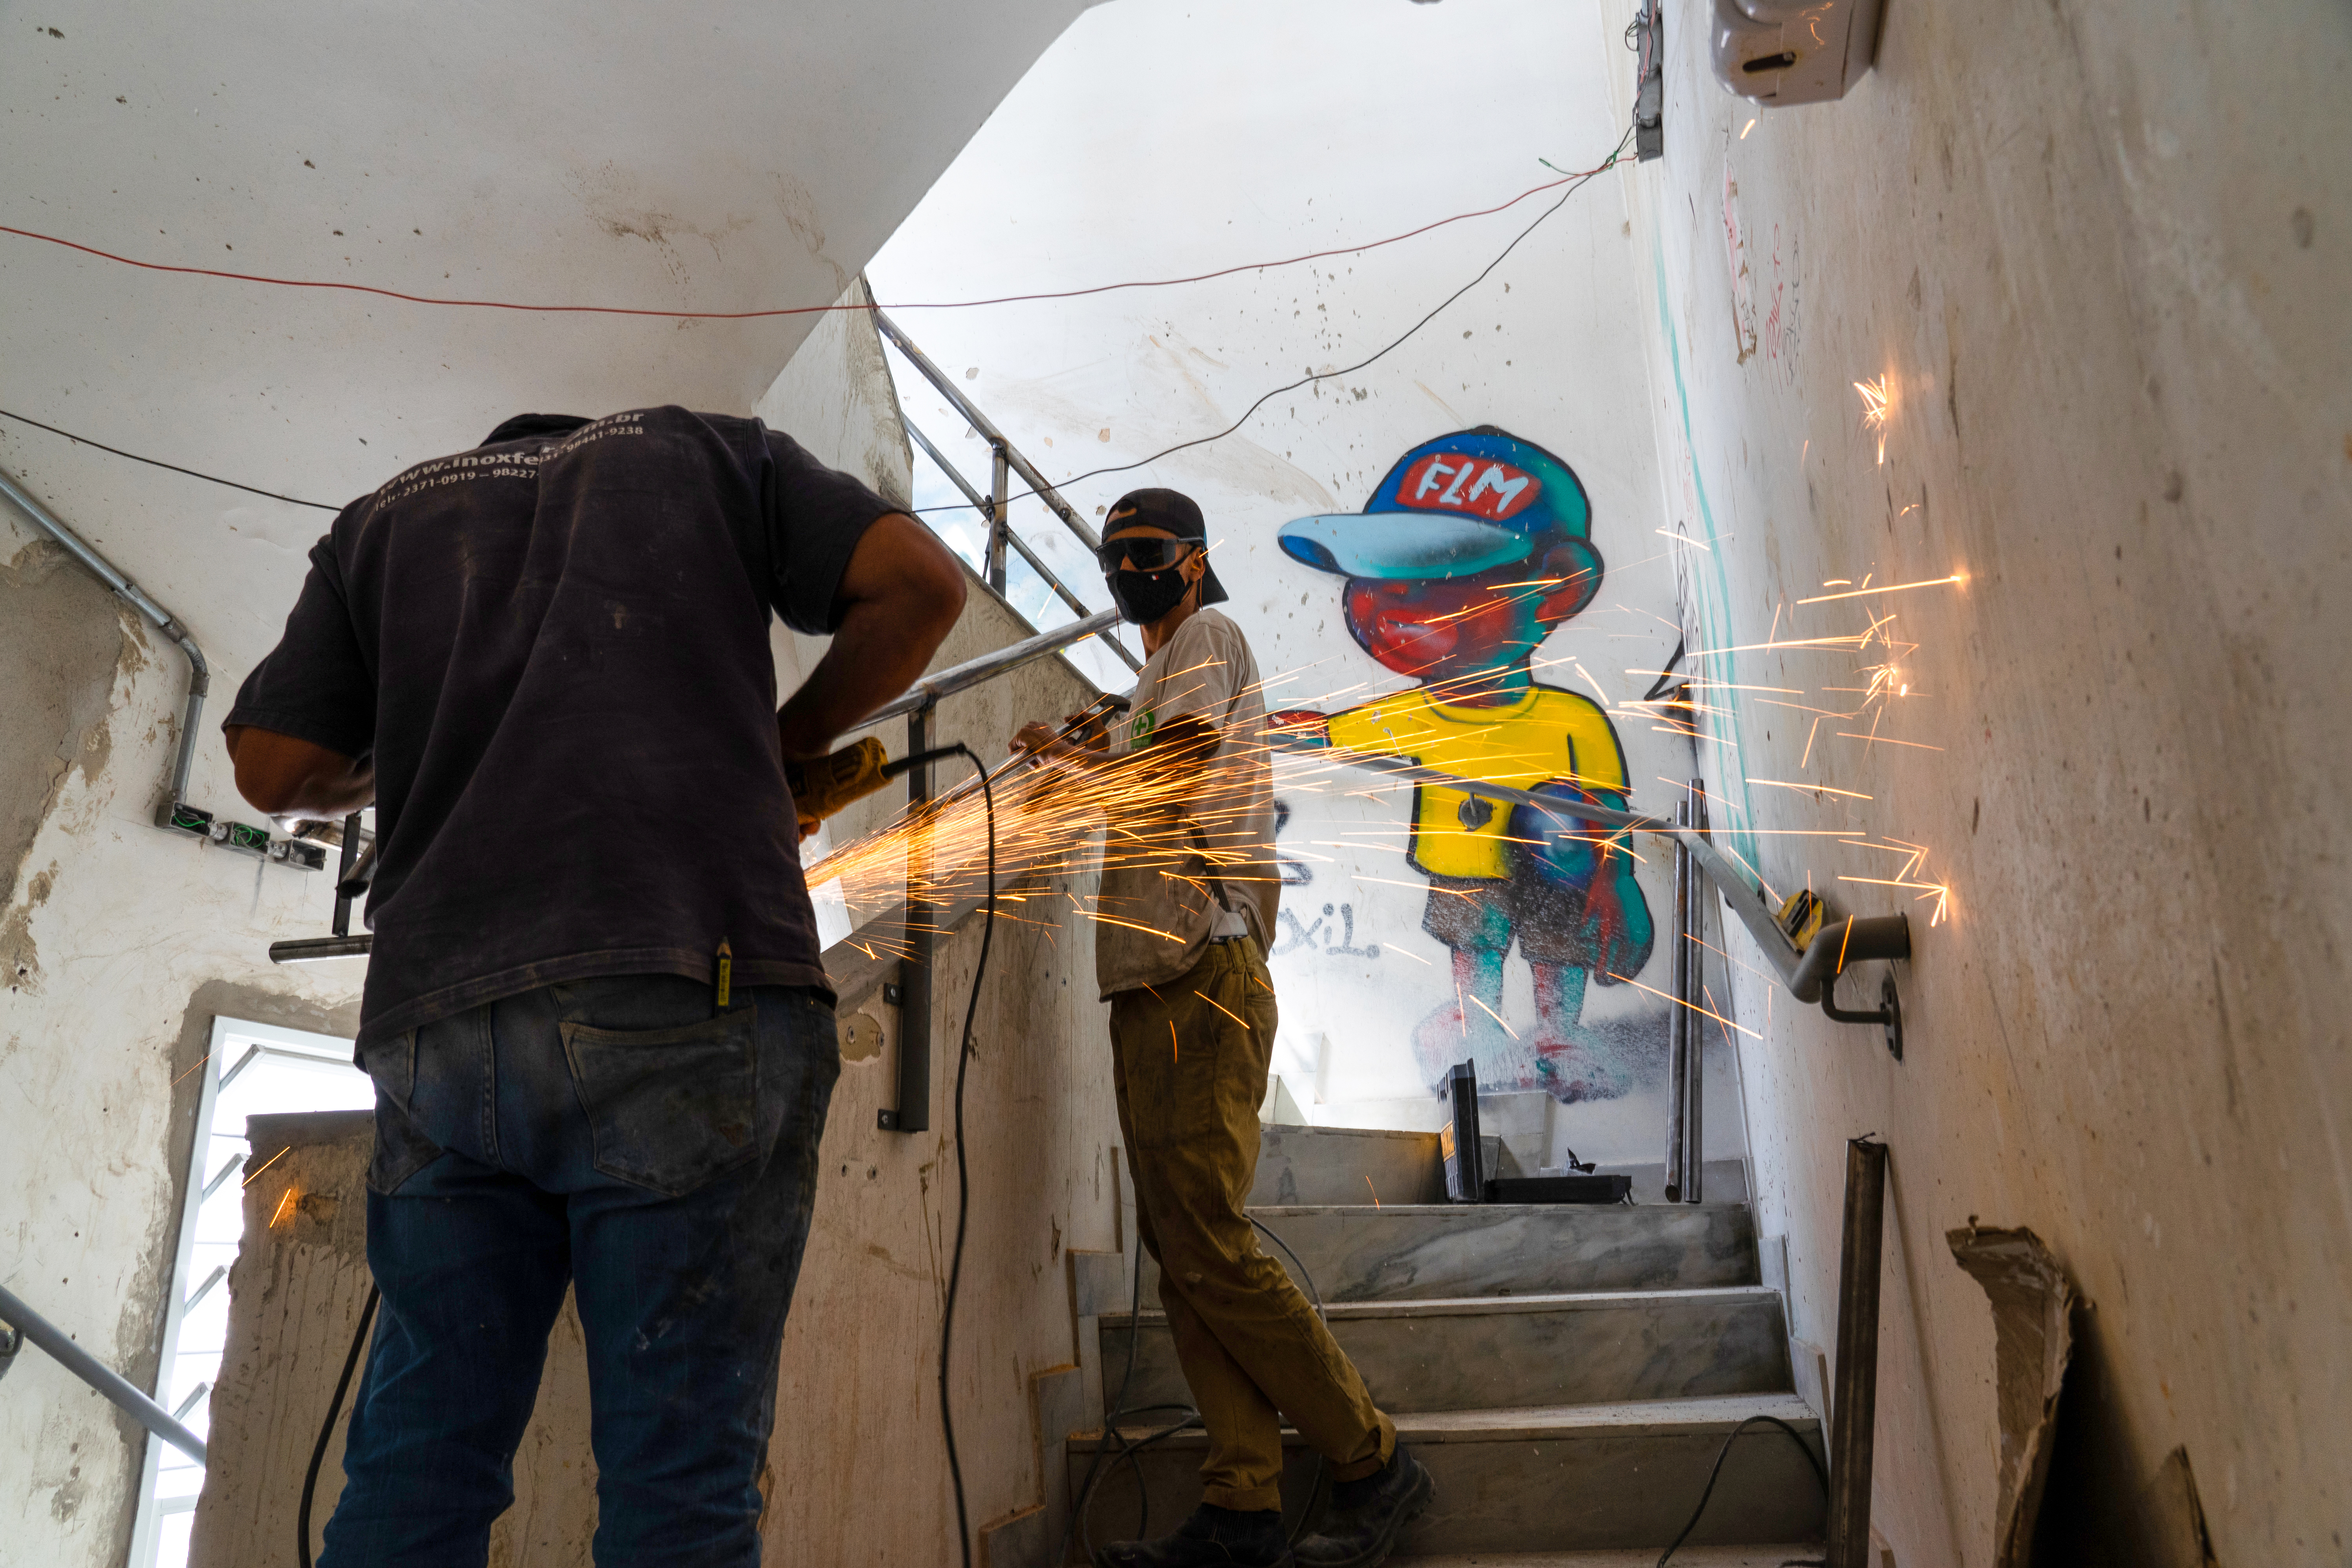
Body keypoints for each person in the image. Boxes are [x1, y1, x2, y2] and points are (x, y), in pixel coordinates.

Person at [224, 406, 965, 1567]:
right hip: (683, 981)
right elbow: (921, 588)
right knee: (681, 1486)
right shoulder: (712, 454)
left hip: (441, 1017)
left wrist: (438, 743)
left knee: (419, 1462)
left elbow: (275, 766)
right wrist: (784, 742)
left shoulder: (382, 520)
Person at [1013, 488, 1432, 1568]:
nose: (1126, 570)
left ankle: (1373, 1464)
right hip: (1153, 977)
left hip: (1201, 966)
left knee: (1209, 1239)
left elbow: (1170, 769)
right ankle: (1242, 1504)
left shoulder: (1207, 634)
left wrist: (1077, 770)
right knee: (1182, 1247)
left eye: (1145, 553)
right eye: (1113, 555)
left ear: (1194, 563)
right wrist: (1086, 743)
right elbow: (1142, 746)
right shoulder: (1151, 678)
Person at [1267, 428, 1653, 1102]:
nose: (1391, 607)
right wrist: (1315, 733)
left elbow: (1606, 807)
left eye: (1439, 579)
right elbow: (1356, 733)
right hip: (1460, 865)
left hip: (1549, 872)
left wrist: (1612, 877)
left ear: (1557, 588)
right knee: (1473, 944)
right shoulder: (1418, 714)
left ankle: (1559, 1032)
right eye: (1381, 578)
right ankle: (1476, 1026)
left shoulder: (1572, 720)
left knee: (1553, 940)